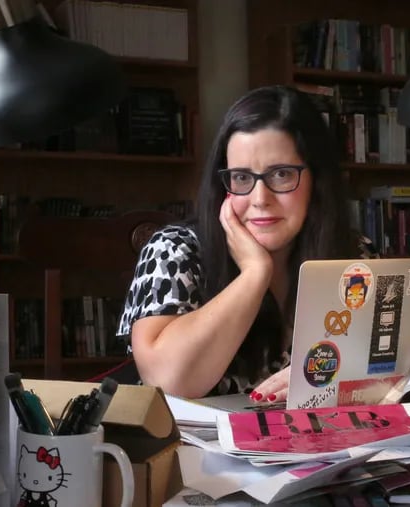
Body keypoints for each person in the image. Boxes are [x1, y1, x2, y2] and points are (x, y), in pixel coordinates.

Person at [118, 85, 377, 402]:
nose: (259, 199)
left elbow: (387, 369)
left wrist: (337, 380)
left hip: (322, 445)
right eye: (241, 178)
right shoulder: (174, 249)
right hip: (193, 449)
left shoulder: (354, 255)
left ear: (317, 181)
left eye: (281, 174)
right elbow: (168, 381)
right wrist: (255, 273)